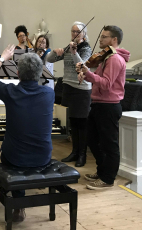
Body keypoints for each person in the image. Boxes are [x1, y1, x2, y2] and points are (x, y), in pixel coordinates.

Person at [0, 45, 55, 223]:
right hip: (43, 157)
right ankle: (19, 202)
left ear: (18, 74)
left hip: (15, 159)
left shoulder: (11, 91)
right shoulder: (49, 93)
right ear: (39, 73)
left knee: (13, 152)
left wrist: (2, 58)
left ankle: (18, 203)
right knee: (22, 148)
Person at [76, 26, 130, 190]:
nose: (101, 40)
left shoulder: (114, 59)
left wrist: (88, 73)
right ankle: (102, 172)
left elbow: (106, 85)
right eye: (101, 36)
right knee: (92, 140)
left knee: (109, 144)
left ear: (114, 40)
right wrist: (85, 73)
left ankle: (108, 179)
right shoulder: (106, 57)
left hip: (109, 106)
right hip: (99, 105)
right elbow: (98, 78)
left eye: (105, 37)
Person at [46, 21, 92, 167]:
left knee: (81, 123)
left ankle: (82, 155)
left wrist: (74, 52)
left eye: (77, 31)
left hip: (81, 89)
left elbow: (82, 65)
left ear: (84, 33)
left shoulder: (86, 48)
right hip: (68, 87)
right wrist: (55, 51)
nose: (74, 34)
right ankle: (74, 152)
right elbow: (50, 59)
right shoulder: (69, 45)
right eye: (72, 31)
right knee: (72, 121)